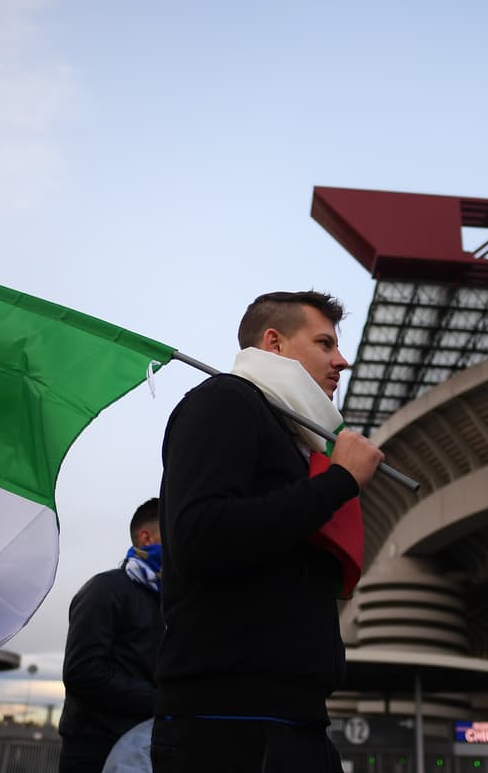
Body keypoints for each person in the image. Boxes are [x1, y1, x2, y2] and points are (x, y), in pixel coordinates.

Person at [152, 290, 384, 773]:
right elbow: (201, 536)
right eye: (324, 344)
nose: (342, 361)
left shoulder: (295, 437)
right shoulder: (225, 401)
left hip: (293, 718)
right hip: (229, 722)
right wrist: (338, 482)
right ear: (274, 343)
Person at [59, 498, 163, 773]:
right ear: (146, 537)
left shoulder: (173, 601)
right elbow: (82, 671)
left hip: (149, 748)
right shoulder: (105, 589)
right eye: (173, 530)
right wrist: (161, 700)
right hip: (95, 750)